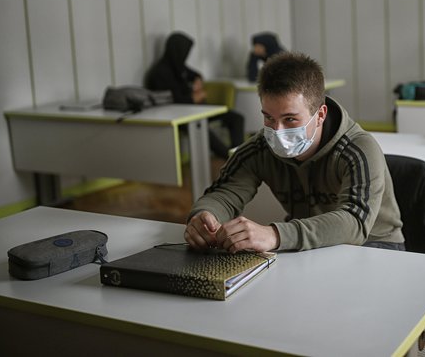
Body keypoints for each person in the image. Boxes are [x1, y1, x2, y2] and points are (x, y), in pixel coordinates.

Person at [185, 51, 405, 253]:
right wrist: (205, 217)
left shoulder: (359, 149)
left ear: (320, 115)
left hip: (375, 245)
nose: (277, 131)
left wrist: (276, 234)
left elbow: (354, 223)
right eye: (269, 118)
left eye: (290, 119)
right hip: (310, 245)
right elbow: (225, 192)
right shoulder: (260, 147)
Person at [145, 31, 245, 160]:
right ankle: (232, 159)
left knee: (236, 118)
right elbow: (168, 102)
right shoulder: (159, 73)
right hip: (179, 117)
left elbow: (195, 74)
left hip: (196, 110)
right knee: (200, 128)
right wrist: (193, 98)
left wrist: (198, 80)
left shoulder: (178, 66)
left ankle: (239, 154)